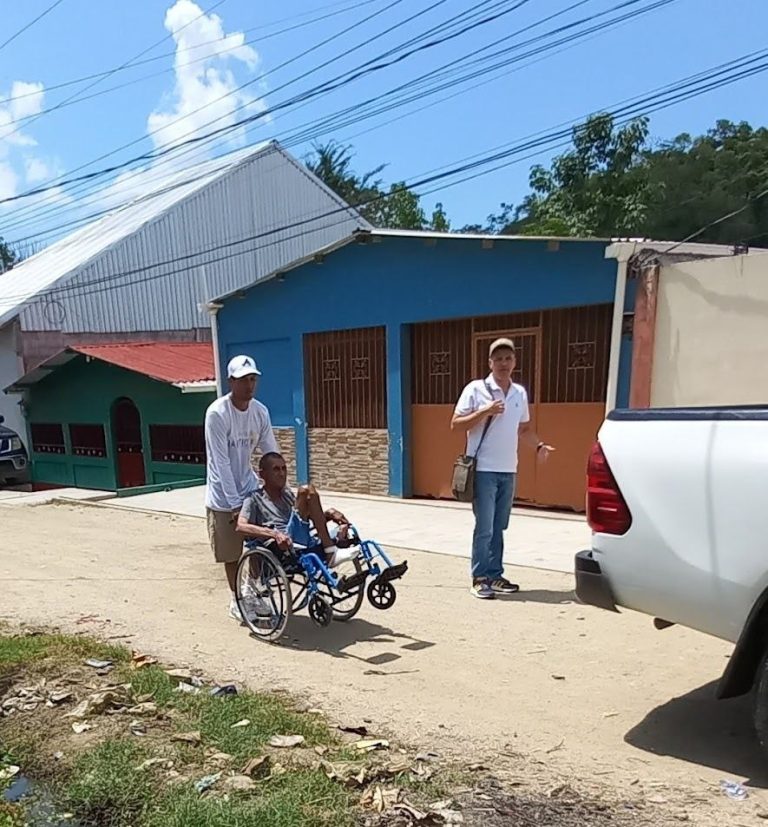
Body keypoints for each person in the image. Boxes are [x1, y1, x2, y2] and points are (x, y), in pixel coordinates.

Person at [452, 338, 555, 600]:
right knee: (485, 527)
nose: (503, 363)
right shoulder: (476, 389)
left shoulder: (519, 392)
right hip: (483, 470)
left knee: (499, 526)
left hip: (508, 470)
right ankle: (479, 578)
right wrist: (485, 411)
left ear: (514, 362)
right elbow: (456, 424)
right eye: (498, 359)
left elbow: (524, 429)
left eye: (508, 358)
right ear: (490, 363)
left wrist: (539, 446)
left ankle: (495, 575)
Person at [205, 354, 279, 621]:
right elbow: (221, 462)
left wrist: (278, 486)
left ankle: (251, 591)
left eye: (252, 379)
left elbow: (270, 452)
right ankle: (237, 599)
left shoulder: (260, 412)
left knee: (260, 542)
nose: (249, 385)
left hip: (248, 487)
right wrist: (235, 504)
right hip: (222, 495)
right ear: (231, 382)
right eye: (243, 380)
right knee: (231, 553)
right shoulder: (217, 413)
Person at [237, 452, 358, 568]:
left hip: (299, 536)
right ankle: (331, 551)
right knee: (305, 490)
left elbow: (303, 517)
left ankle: (336, 546)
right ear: (262, 474)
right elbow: (240, 526)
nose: (282, 473)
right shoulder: (254, 498)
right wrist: (274, 534)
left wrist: (328, 514)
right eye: (276, 469)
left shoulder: (287, 494)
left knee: (341, 529)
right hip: (280, 544)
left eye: (284, 469)